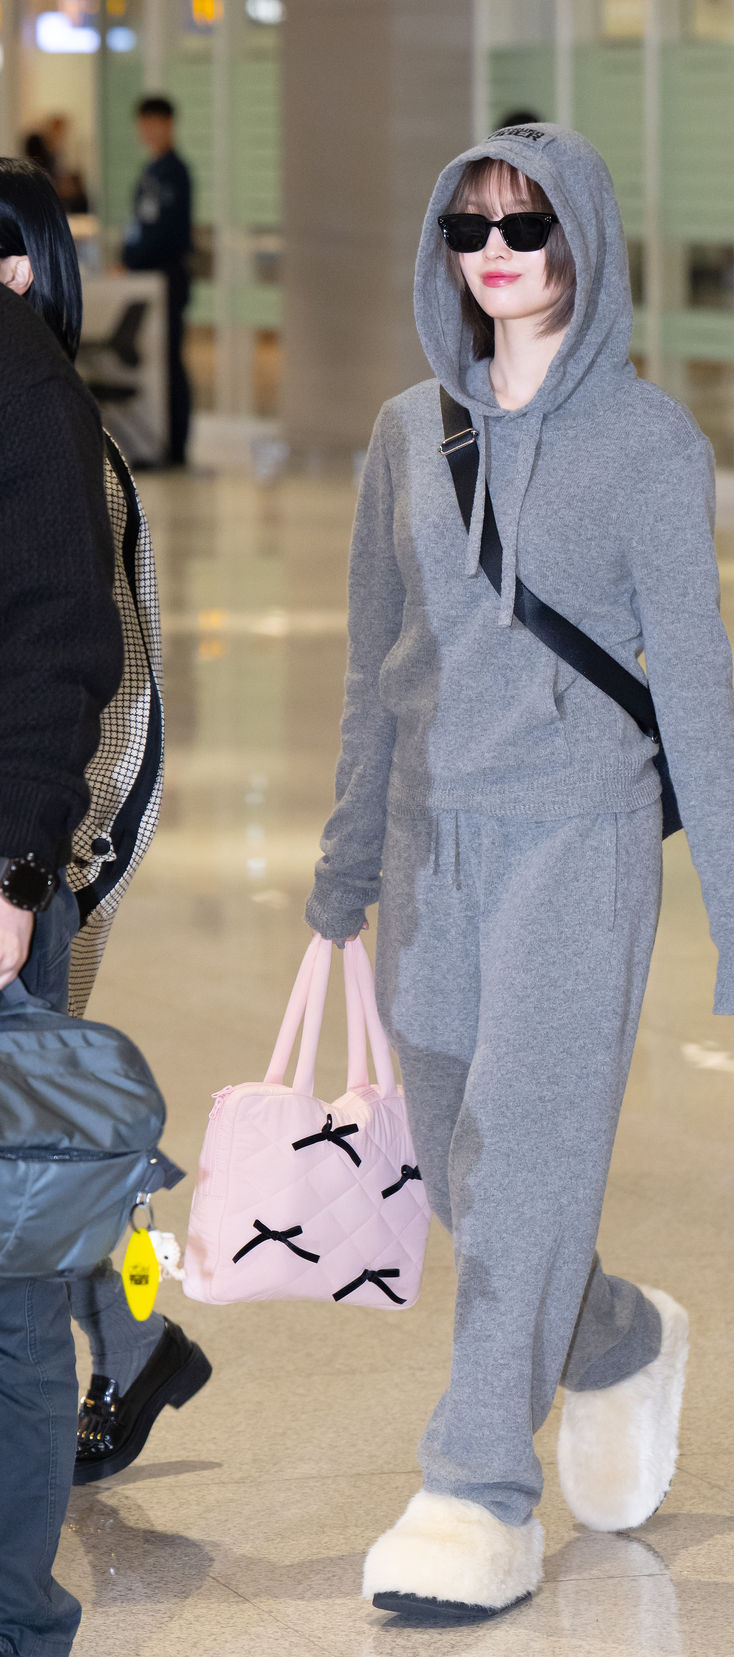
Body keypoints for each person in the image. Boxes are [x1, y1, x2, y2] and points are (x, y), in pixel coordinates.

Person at [306, 124, 734, 1622]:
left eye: (529, 226)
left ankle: (476, 1494)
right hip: (429, 849)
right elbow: (373, 670)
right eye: (471, 229)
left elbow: (693, 684)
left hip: (579, 842)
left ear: (584, 241)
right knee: (462, 1168)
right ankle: (621, 1336)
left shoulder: (650, 444)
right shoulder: (405, 432)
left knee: (521, 1164)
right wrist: (342, 875)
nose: (498, 254)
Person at [0, 158, 210, 1506]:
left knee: (53, 1143)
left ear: (25, 270)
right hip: (45, 842)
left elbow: (112, 681)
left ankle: (133, 1346)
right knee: (42, 1143)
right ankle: (138, 1346)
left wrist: (57, 868)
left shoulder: (59, 430)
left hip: (53, 845)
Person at [0, 273, 123, 1657]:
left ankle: (18, 1625)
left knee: (10, 1298)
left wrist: (12, 865)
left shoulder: (19, 379)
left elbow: (59, 638)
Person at [122, 95, 192, 467]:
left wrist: (133, 258)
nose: (149, 130)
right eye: (144, 123)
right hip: (145, 277)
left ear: (168, 125)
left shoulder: (175, 174)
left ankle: (175, 447)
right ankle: (156, 442)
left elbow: (166, 233)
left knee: (170, 362)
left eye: (155, 122)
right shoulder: (150, 172)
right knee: (158, 361)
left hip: (166, 278)